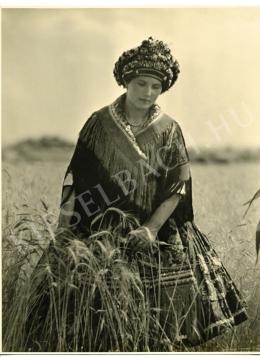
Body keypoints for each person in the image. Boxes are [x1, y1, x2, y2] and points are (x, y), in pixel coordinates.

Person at [56, 37, 248, 349]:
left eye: (155, 87)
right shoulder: (98, 124)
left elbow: (177, 186)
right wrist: (64, 232)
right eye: (140, 84)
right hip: (101, 230)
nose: (147, 93)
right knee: (95, 328)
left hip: (155, 229)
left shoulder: (169, 129)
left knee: (159, 332)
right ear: (126, 82)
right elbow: (77, 180)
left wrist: (151, 228)